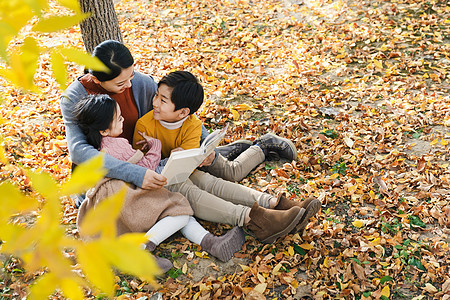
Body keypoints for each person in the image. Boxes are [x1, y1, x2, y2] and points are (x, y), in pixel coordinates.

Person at [60, 40, 299, 208]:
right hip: (117, 169)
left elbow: (181, 114)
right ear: (96, 79)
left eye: (131, 76)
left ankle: (252, 152)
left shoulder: (141, 83)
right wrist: (136, 173)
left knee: (215, 171)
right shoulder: (75, 97)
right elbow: (79, 151)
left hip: (154, 155)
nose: (130, 86)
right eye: (121, 84)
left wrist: (203, 146)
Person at [133, 71, 321, 243]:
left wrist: (191, 156)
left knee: (209, 181)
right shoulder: (144, 125)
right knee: (190, 189)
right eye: (157, 95)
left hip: (183, 172)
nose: (155, 102)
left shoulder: (192, 124)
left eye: (163, 100)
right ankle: (254, 219)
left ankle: (274, 203)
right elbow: (140, 165)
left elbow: (188, 165)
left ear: (183, 112)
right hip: (157, 180)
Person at [73, 94, 246, 271]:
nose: (123, 120)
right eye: (119, 119)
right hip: (127, 201)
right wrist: (155, 147)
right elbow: (145, 169)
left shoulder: (102, 147)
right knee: (179, 211)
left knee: (179, 210)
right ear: (103, 131)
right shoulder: (117, 146)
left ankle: (211, 243)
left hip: (120, 200)